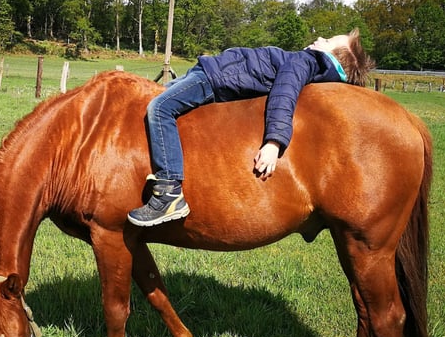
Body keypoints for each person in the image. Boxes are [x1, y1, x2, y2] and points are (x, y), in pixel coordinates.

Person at [127, 28, 375, 227]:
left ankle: (169, 191)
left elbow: (285, 92)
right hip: (209, 73)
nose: (320, 37)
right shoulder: (308, 63)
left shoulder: (305, 60)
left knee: (159, 108)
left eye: (329, 40)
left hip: (213, 78)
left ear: (333, 57)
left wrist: (273, 142)